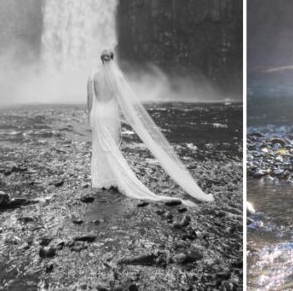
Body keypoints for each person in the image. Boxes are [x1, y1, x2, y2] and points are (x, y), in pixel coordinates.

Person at [87, 49, 214, 203]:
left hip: (98, 112)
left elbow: (90, 98)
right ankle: (115, 177)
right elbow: (122, 102)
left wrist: (90, 116)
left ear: (101, 60)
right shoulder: (117, 77)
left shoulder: (93, 75)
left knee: (101, 146)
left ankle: (102, 179)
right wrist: (126, 122)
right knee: (112, 146)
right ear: (112, 60)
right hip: (110, 113)